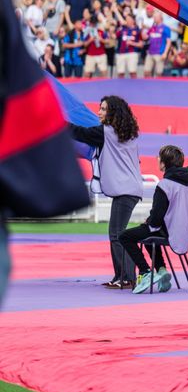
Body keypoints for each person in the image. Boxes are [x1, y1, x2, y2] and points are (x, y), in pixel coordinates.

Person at [70, 96, 142, 289]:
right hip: (130, 188)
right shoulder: (129, 134)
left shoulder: (107, 132)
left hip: (125, 190)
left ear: (113, 113)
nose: (99, 112)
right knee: (119, 234)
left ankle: (126, 278)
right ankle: (123, 276)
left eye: (103, 109)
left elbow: (79, 132)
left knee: (117, 234)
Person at [118, 145, 188, 295]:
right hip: (186, 232)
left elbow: (157, 218)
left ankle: (146, 272)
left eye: (159, 158)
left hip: (169, 231)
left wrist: (149, 221)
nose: (157, 160)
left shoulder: (165, 185)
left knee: (125, 236)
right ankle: (161, 269)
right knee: (147, 232)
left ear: (165, 163)